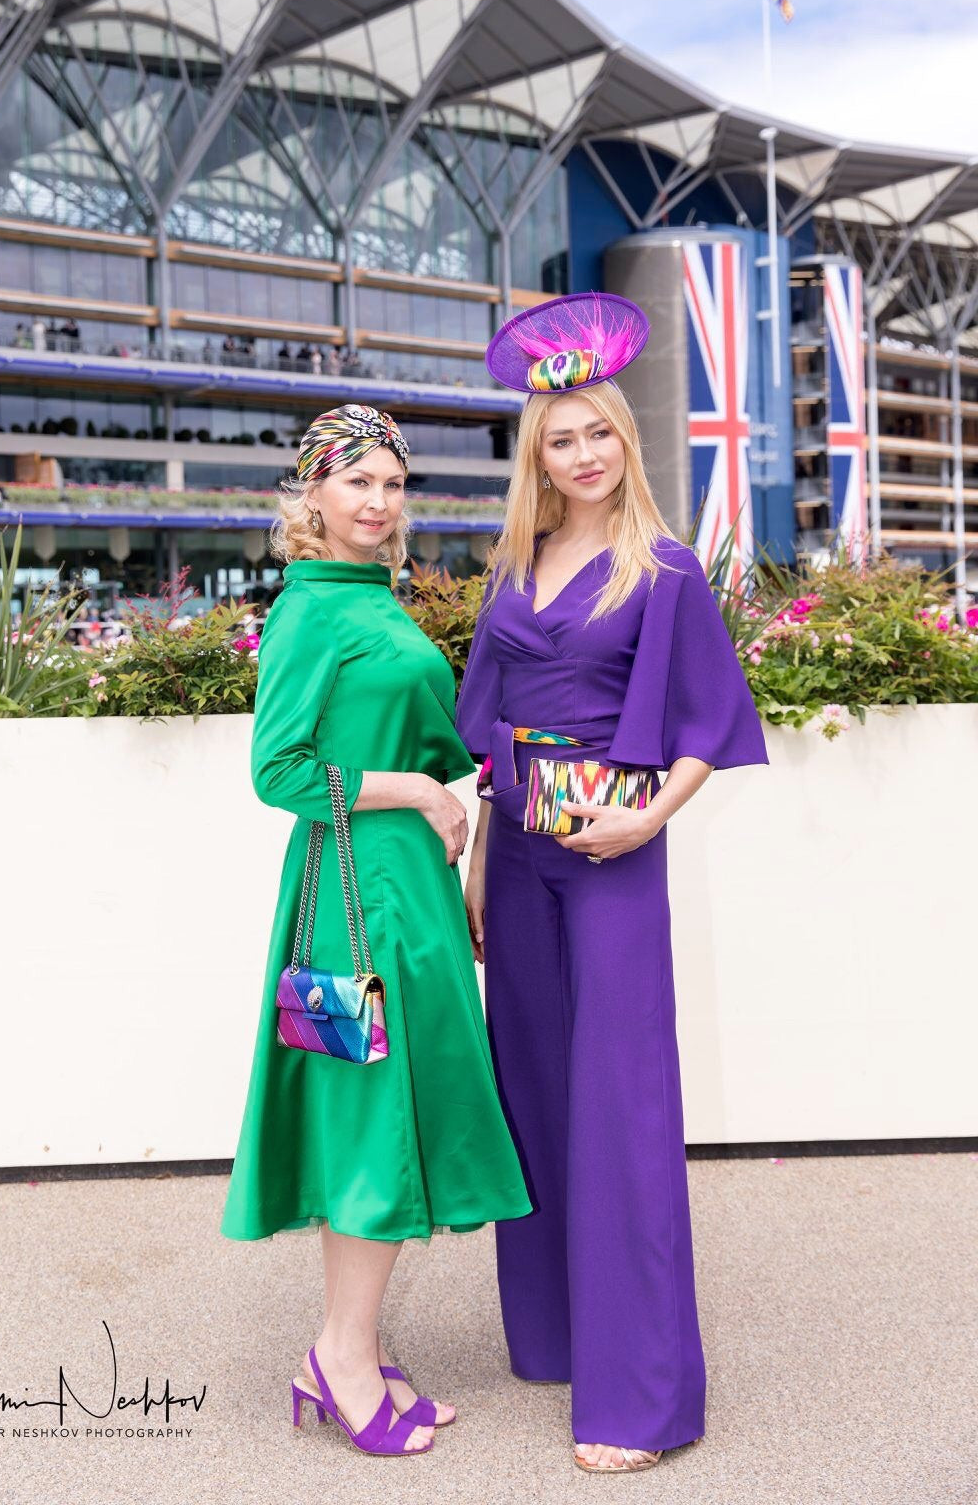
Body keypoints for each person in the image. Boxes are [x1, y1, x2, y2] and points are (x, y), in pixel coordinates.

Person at [454, 291, 769, 1476]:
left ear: (624, 442)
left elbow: (705, 723)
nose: (582, 455)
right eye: (560, 440)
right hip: (518, 852)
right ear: (534, 457)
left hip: (615, 855)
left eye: (598, 434)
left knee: (621, 1106)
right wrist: (479, 865)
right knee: (534, 1088)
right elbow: (488, 737)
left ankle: (641, 1401)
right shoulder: (515, 564)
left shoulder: (665, 567)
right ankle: (554, 1337)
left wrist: (649, 818)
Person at [221, 401, 531, 1458]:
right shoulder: (310, 607)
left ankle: (354, 1346)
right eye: (356, 480)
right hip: (352, 895)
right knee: (368, 1113)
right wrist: (413, 789)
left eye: (393, 484)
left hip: (407, 886)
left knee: (397, 1103)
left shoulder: (374, 597)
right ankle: (341, 1355)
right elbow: (278, 772)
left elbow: (433, 734)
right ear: (312, 493)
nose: (378, 501)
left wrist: (455, 796)